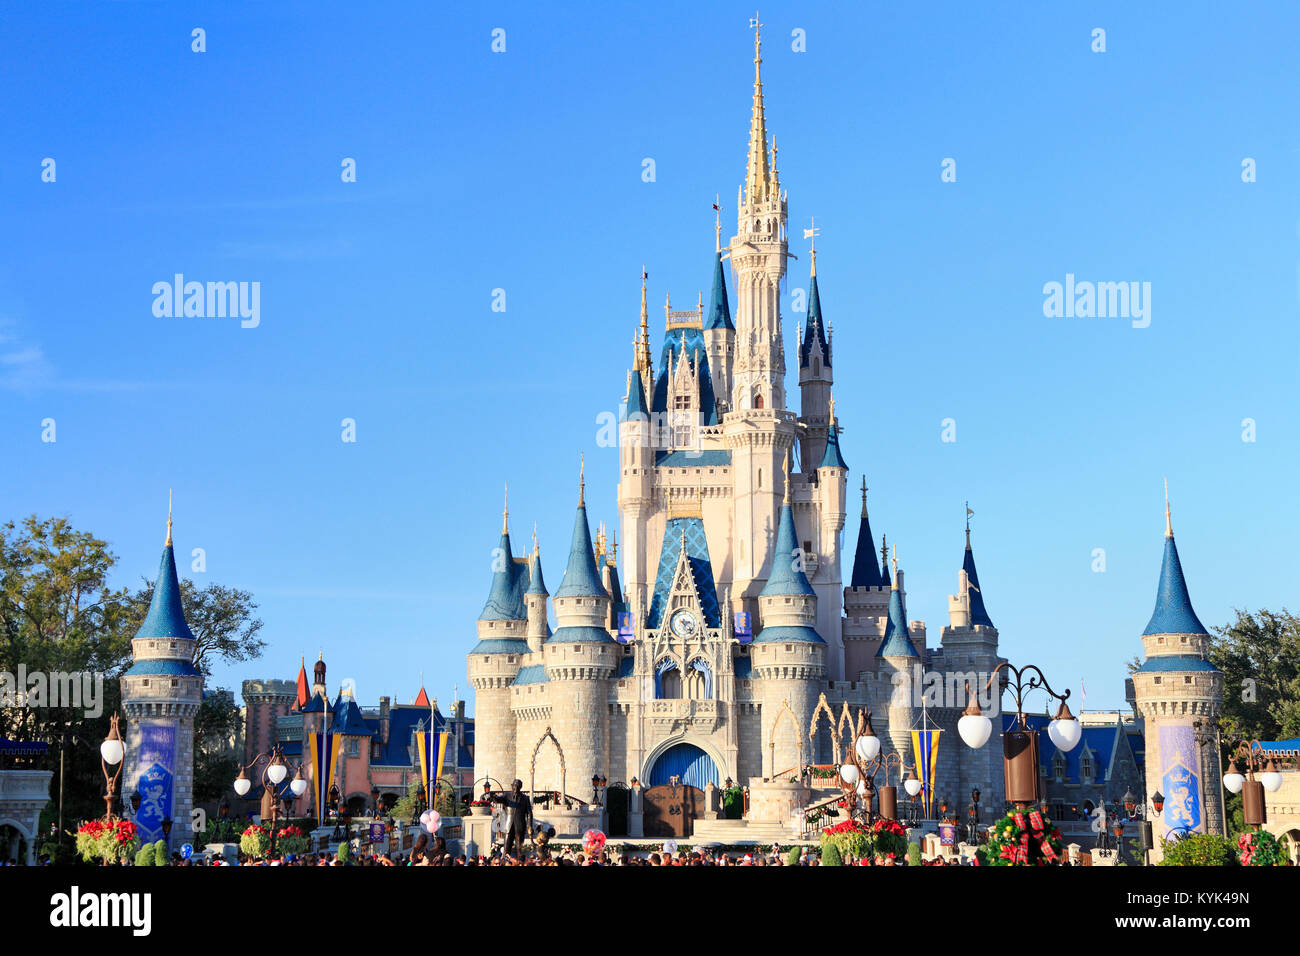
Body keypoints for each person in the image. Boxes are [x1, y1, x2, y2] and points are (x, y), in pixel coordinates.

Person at [490, 779, 533, 860]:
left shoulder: (525, 798)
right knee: (507, 847)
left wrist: (530, 825)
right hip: (508, 825)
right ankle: (505, 862)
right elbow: (498, 800)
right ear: (512, 786)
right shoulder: (507, 795)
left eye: (517, 786)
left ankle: (520, 863)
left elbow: (529, 813)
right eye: (514, 785)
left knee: (519, 848)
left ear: (520, 787)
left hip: (520, 825)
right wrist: (493, 797)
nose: (516, 787)